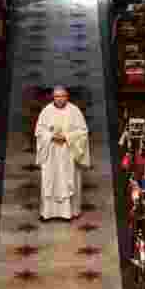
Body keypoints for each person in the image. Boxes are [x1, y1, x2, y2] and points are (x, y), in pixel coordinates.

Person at [34, 86, 90, 221]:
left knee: (67, 179)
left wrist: (67, 137)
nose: (59, 99)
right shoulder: (46, 111)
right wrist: (51, 136)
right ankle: (48, 213)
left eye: (62, 96)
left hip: (68, 152)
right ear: (53, 97)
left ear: (67, 96)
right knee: (50, 180)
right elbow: (39, 131)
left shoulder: (74, 111)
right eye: (57, 96)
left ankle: (68, 212)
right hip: (51, 152)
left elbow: (83, 132)